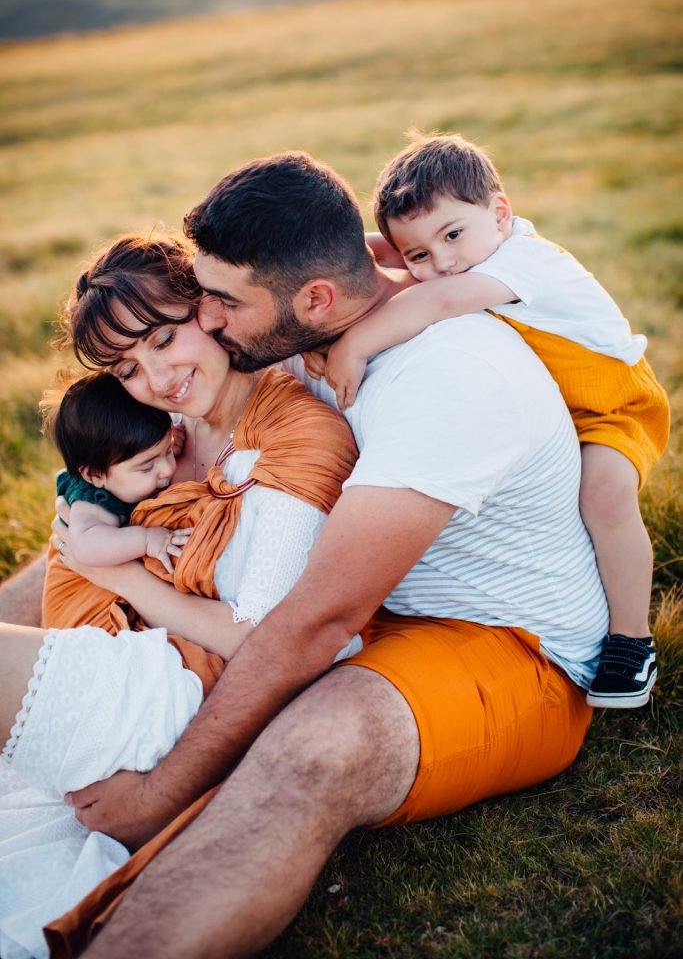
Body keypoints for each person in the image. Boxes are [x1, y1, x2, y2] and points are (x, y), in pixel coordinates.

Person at [37, 150, 609, 959]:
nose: (206, 322)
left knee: (313, 745)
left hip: (510, 650)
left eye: (220, 304)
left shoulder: (446, 381)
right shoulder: (308, 332)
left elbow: (316, 620)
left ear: (311, 299)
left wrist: (159, 792)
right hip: (375, 608)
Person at [0, 233, 360, 959]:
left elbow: (254, 637)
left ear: (210, 310)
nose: (158, 377)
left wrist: (116, 574)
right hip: (118, 653)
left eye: (165, 339)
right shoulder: (164, 429)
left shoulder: (298, 434)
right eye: (128, 367)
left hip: (180, 693)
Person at [310, 133, 669, 709]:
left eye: (453, 236)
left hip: (610, 403)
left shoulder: (526, 261)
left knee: (602, 494)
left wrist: (353, 345)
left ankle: (632, 639)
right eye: (420, 255)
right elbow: (392, 257)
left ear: (499, 213)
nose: (443, 261)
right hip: (557, 401)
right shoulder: (467, 252)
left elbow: (438, 301)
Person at [45, 371, 190, 575]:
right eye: (147, 466)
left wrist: (168, 442)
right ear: (94, 475)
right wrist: (146, 539)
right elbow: (86, 548)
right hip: (77, 599)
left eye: (168, 450)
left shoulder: (126, 460)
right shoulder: (91, 504)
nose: (167, 469)